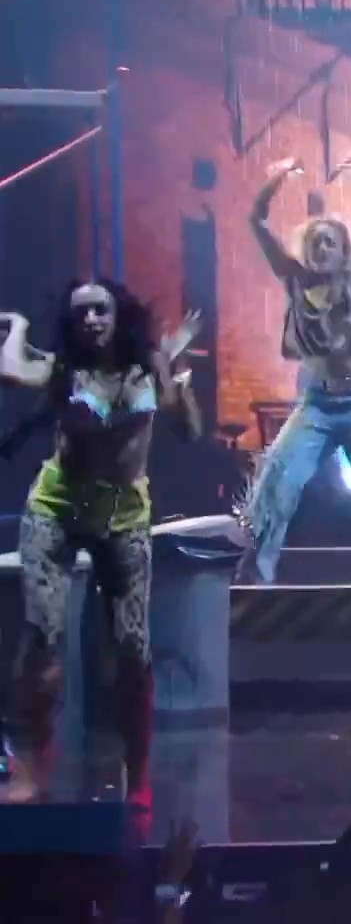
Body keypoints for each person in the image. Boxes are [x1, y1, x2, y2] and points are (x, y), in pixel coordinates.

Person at [0, 280, 200, 806]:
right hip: (57, 510)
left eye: (100, 310)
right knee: (43, 635)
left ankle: (139, 775)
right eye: (82, 312)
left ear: (117, 315)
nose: (91, 319)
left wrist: (177, 372)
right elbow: (8, 369)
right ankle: (35, 770)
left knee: (132, 647)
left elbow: (189, 429)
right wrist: (17, 327)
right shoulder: (63, 370)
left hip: (123, 515)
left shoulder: (144, 368)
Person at [242, 153, 351, 584]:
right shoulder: (294, 279)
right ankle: (254, 579)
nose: (321, 248)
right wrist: (276, 180)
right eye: (315, 242)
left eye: (330, 242)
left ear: (343, 250)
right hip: (318, 400)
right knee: (277, 479)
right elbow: (256, 221)